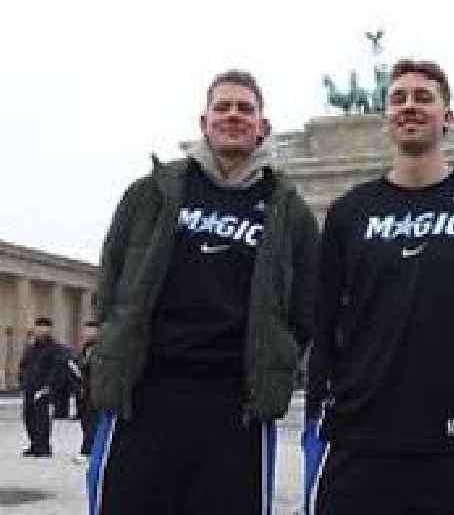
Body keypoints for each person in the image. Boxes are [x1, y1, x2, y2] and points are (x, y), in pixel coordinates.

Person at [305, 59, 454, 515]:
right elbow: (324, 318)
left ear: (448, 117)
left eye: (423, 97)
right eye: (398, 98)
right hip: (359, 439)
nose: (409, 106)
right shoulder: (349, 212)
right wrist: (320, 404)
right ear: (385, 118)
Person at [87, 68, 319, 515]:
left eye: (245, 109)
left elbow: (307, 302)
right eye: (222, 107)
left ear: (262, 126)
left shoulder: (289, 210)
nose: (233, 116)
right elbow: (112, 272)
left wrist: (282, 354)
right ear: (203, 122)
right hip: (146, 391)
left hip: (236, 402)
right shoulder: (151, 192)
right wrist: (111, 334)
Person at [18, 317, 65, 457]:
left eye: (44, 328)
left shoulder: (55, 348)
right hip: (30, 388)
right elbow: (23, 365)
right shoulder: (31, 348)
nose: (41, 330)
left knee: (42, 418)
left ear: (49, 329)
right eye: (38, 327)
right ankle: (34, 443)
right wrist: (22, 382)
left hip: (44, 389)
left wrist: (49, 386)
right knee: (29, 417)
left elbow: (57, 368)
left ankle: (43, 446)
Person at [71, 320, 99, 463]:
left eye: (91, 331)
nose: (88, 334)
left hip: (96, 391)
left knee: (94, 422)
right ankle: (87, 448)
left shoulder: (101, 350)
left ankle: (90, 450)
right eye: (86, 331)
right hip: (83, 392)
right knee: (85, 422)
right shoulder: (84, 349)